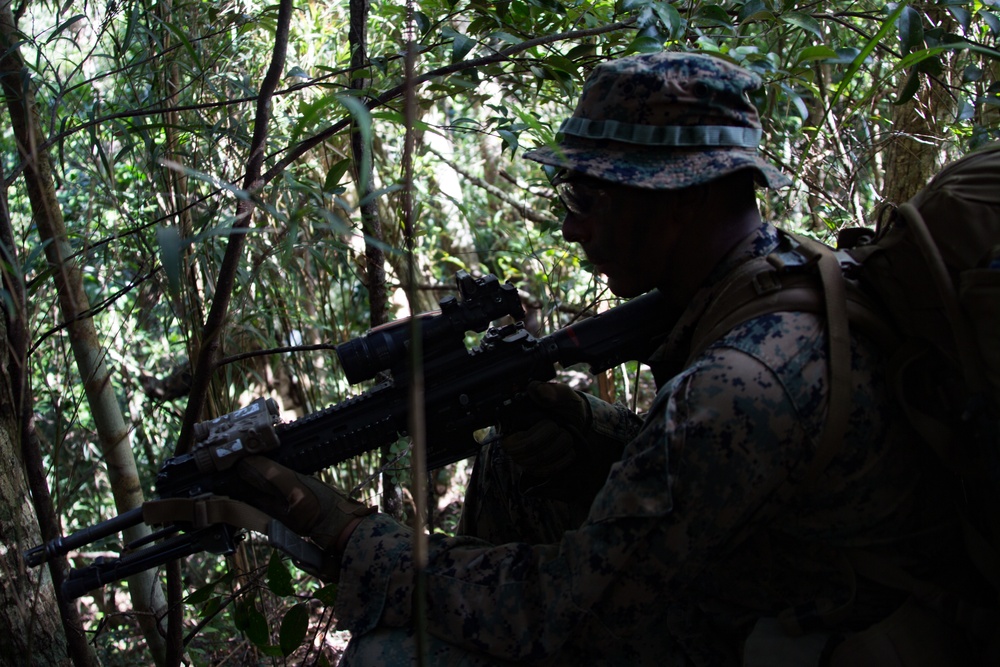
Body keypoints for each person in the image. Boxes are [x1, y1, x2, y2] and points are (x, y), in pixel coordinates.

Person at [235, 52, 973, 665]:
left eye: (587, 196)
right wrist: (576, 426)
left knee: (391, 657)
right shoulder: (786, 269)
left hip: (839, 636)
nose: (568, 224)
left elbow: (567, 610)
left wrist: (351, 534)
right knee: (515, 463)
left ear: (678, 202)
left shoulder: (740, 386)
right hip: (808, 574)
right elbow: (715, 479)